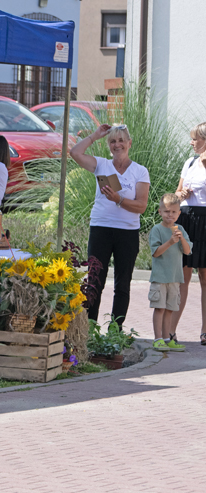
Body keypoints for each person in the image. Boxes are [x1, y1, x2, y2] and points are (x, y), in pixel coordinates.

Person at [70, 123, 151, 328]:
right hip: (101, 229)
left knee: (122, 283)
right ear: (109, 145)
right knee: (95, 280)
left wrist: (118, 199)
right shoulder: (101, 165)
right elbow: (75, 152)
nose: (117, 145)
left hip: (127, 233)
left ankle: (115, 330)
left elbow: (141, 206)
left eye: (121, 140)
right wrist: (95, 136)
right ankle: (90, 329)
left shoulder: (140, 171)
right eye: (113, 141)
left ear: (129, 144)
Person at [171, 122, 206, 344]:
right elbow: (177, 191)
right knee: (181, 277)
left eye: (195, 138)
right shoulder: (190, 161)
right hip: (186, 220)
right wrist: (181, 193)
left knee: (204, 277)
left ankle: (205, 330)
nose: (191, 142)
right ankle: (171, 331)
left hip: (205, 220)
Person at [149, 194, 191, 352]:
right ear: (160, 212)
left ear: (179, 213)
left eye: (174, 212)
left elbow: (187, 251)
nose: (170, 215)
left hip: (175, 278)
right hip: (160, 277)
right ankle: (157, 338)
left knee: (170, 308)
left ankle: (167, 338)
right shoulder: (157, 230)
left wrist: (181, 240)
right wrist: (170, 242)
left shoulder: (180, 230)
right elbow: (156, 252)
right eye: (166, 211)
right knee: (159, 308)